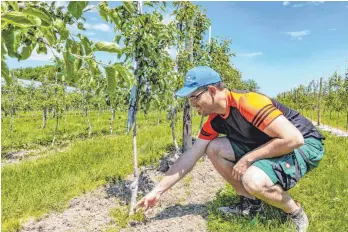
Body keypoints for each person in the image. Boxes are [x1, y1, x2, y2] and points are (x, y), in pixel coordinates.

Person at [136, 66, 325, 232]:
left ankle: (294, 211)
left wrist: (248, 158)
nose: (192, 105)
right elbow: (191, 156)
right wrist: (157, 191)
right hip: (271, 141)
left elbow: (294, 138)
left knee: (253, 179)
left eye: (193, 98)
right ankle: (250, 204)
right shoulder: (215, 120)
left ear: (211, 90)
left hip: (305, 143)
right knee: (213, 147)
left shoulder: (249, 102)